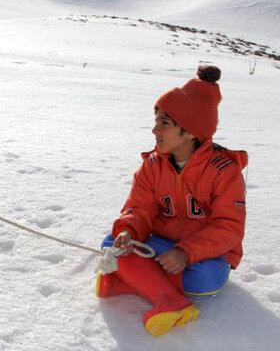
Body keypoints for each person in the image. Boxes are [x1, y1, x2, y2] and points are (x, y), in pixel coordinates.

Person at [96, 65, 248, 337]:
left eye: (164, 123)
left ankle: (134, 281)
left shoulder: (224, 172)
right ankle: (169, 299)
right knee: (112, 244)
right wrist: (129, 230)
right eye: (156, 121)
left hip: (204, 256)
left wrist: (186, 253)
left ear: (190, 131)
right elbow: (139, 209)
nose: (155, 130)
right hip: (162, 245)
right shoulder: (152, 166)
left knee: (205, 280)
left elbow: (229, 228)